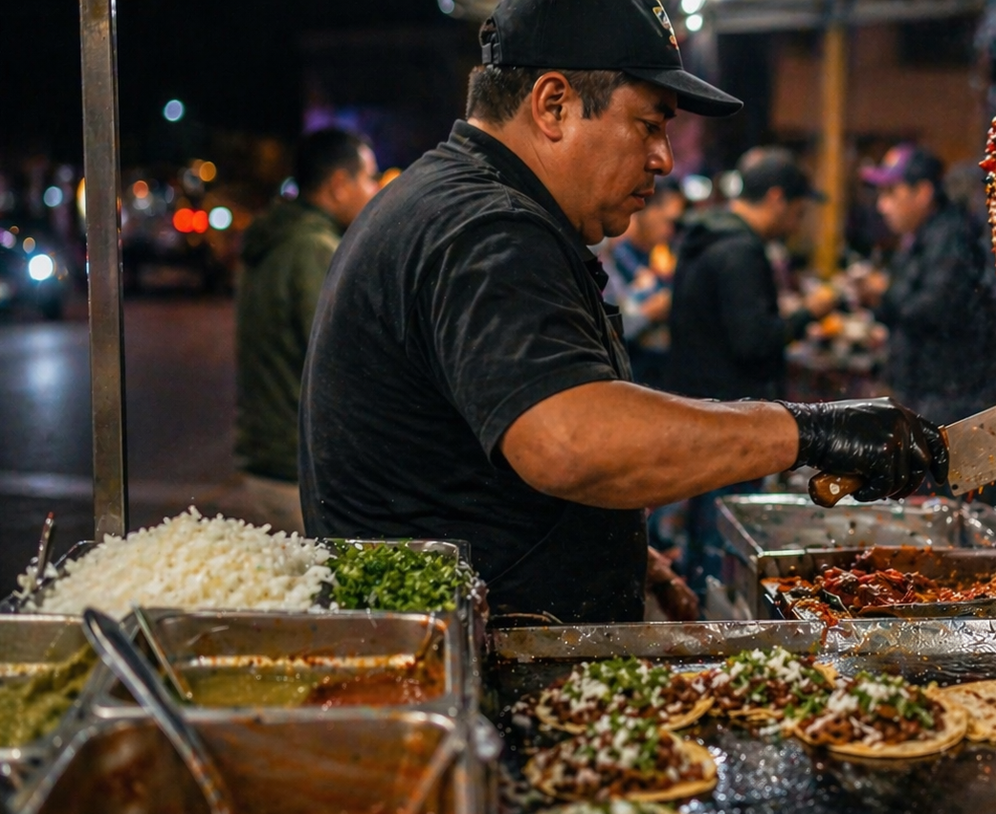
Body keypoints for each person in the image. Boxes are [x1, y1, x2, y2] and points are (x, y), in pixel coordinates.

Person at [298, 0, 947, 623]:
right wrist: (812, 432)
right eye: (649, 124)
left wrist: (620, 551)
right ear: (554, 105)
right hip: (469, 663)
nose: (665, 157)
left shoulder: (462, 201)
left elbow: (471, 451)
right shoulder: (486, 228)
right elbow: (568, 441)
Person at [235, 128, 379, 533]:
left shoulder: (276, 238)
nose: (374, 191)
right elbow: (348, 360)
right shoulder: (315, 249)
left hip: (267, 456)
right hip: (298, 467)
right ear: (338, 185)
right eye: (369, 178)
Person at [860, 143, 996, 426]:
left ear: (923, 192)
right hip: (927, 392)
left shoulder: (952, 237)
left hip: (952, 399)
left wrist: (884, 294)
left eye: (891, 192)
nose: (882, 206)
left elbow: (934, 308)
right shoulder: (921, 236)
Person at [664, 149, 835, 402]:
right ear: (776, 199)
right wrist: (808, 313)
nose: (797, 225)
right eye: (799, 212)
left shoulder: (709, 233)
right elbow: (754, 343)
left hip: (696, 399)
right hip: (727, 407)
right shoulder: (740, 250)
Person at [600, 176, 685, 387]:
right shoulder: (614, 258)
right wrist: (650, 312)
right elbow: (607, 329)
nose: (672, 231)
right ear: (647, 211)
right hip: (624, 379)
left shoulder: (667, 255)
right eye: (669, 221)